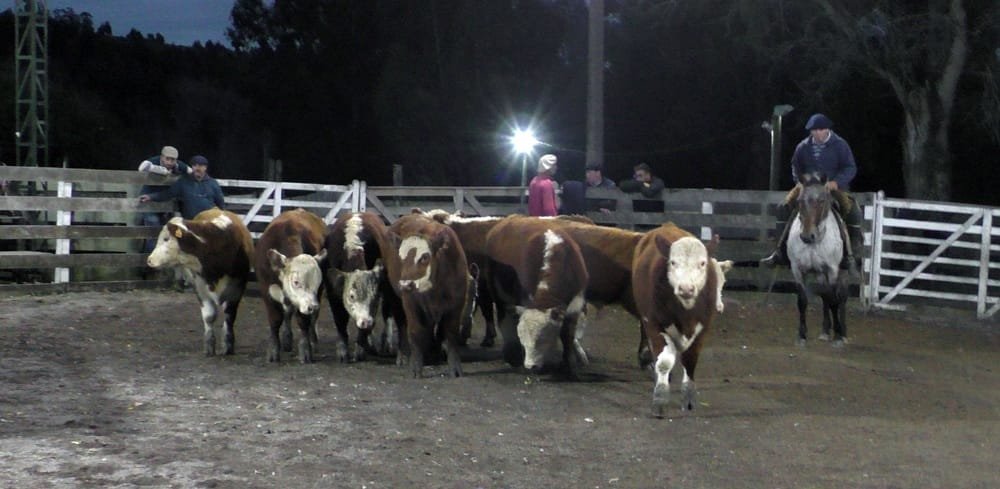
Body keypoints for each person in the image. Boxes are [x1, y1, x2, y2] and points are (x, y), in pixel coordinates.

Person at [760, 113, 862, 270]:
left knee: (852, 209)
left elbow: (850, 167)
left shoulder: (840, 145)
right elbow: (795, 166)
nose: (817, 133)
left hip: (831, 187)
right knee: (783, 206)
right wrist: (800, 182)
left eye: (820, 130)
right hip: (807, 187)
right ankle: (778, 251)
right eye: (814, 130)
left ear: (827, 130)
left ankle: (852, 254)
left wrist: (837, 182)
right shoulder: (803, 146)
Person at [137, 146, 190, 252]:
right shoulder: (155, 161)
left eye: (173, 160)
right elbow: (142, 167)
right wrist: (163, 171)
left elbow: (191, 172)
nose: (170, 162)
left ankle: (163, 261)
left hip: (165, 201)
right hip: (148, 201)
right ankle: (150, 262)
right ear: (162, 157)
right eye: (167, 159)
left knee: (169, 231)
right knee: (154, 231)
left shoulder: (178, 165)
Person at [140, 155, 225, 220]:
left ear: (205, 168)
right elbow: (168, 193)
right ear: (192, 167)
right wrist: (150, 197)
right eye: (195, 165)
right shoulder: (184, 182)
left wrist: (222, 217)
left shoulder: (213, 183)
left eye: (201, 166)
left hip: (208, 222)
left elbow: (220, 202)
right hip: (190, 223)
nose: (197, 168)